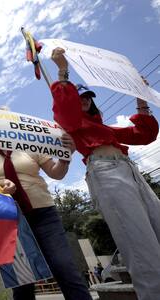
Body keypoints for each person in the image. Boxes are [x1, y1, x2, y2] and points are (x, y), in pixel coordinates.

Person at [51, 47, 160, 300]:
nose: (85, 99)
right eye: (79, 96)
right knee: (140, 244)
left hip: (129, 170)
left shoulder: (104, 128)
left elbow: (144, 135)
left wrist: (140, 98)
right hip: (105, 172)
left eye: (88, 96)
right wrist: (62, 70)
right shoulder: (72, 124)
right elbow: (65, 112)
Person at [0, 108, 92, 300]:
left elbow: (56, 173)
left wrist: (64, 158)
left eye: (5, 121)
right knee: (22, 281)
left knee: (64, 267)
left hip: (43, 215)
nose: (0, 125)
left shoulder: (30, 143)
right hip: (8, 221)